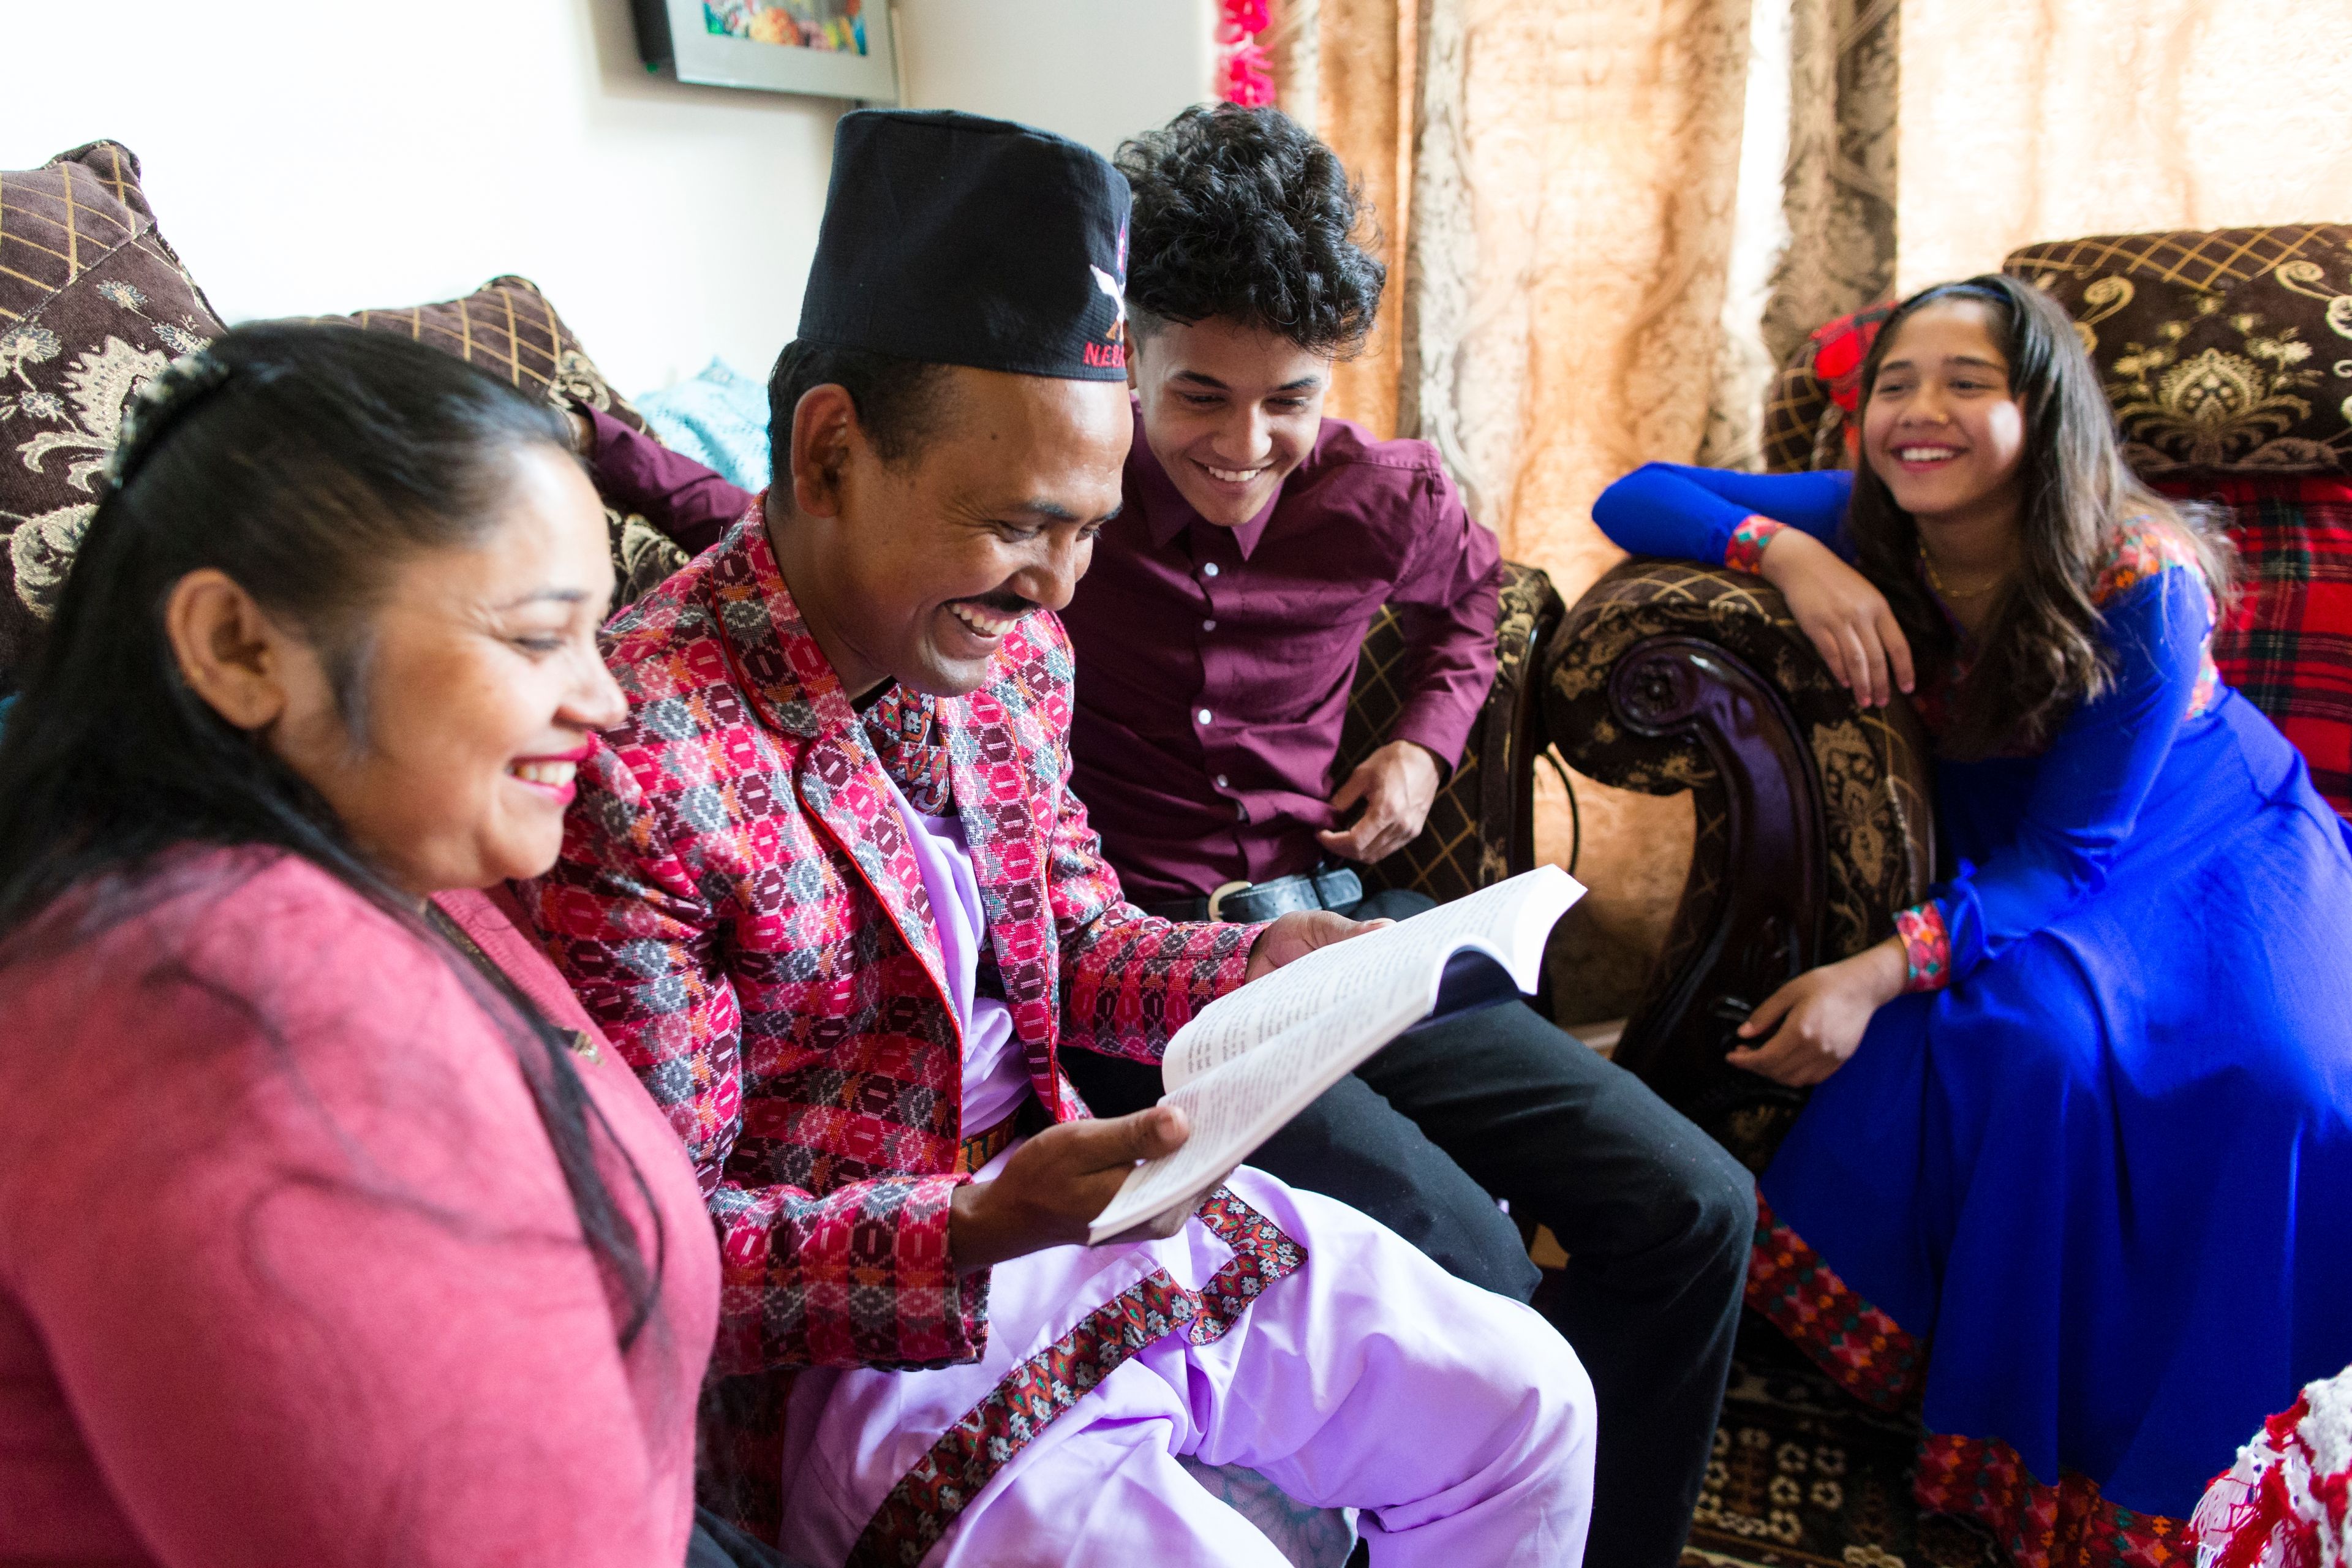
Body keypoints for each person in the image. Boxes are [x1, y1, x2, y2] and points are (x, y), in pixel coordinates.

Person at [566, 104, 1753, 1568]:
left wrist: (1266, 970)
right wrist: (982, 1221)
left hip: (1098, 1206)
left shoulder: (1004, 661)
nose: (1062, 590)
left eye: (1090, 525)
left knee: (1534, 1399)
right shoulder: (638, 765)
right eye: (1024, 526)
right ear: (829, 455)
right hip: (870, 1344)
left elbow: (1071, 935)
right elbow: (665, 1258)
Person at [0, 326, 792, 1566]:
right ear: (243, 648)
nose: (608, 698)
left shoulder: (388, 863)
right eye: (539, 637)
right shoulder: (233, 1005)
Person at [1593, 274, 2352, 1560]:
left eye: (1965, 382)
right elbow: (1636, 494)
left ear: (2042, 412)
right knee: (2033, 1048)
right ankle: (2015, 1443)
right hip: (2026, 836)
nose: (1920, 413)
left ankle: (2226, 1469)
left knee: (2284, 1087)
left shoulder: (2140, 579)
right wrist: (1792, 554)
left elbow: (2071, 856)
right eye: (1895, 384)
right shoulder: (1872, 517)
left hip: (2203, 830)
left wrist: (1874, 973)